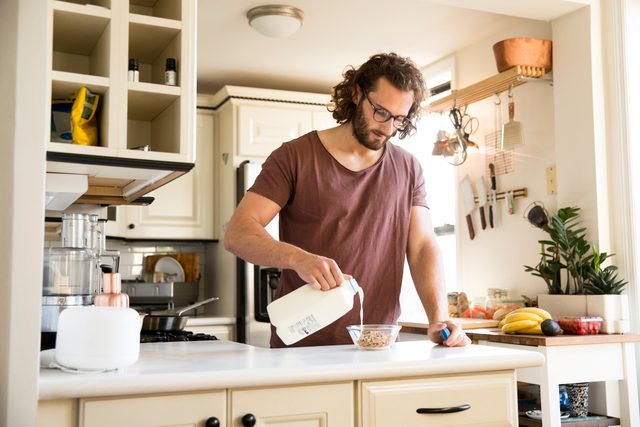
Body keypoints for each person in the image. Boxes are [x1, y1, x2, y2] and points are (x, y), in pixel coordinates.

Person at [224, 52, 470, 348]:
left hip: (377, 345)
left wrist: (439, 318)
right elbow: (238, 232)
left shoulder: (408, 168)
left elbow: (420, 247)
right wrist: (298, 259)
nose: (388, 128)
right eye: (380, 112)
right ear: (356, 93)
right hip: (302, 347)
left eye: (399, 119)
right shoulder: (294, 157)